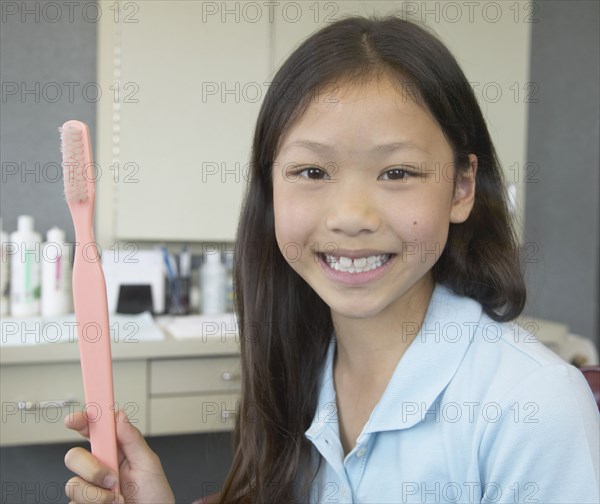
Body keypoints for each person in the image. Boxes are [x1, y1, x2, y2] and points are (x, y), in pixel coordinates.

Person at [63, 14, 600, 504]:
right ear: (269, 190)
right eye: (312, 172)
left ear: (461, 187)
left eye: (397, 173)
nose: (350, 216)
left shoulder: (533, 410)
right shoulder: (297, 360)